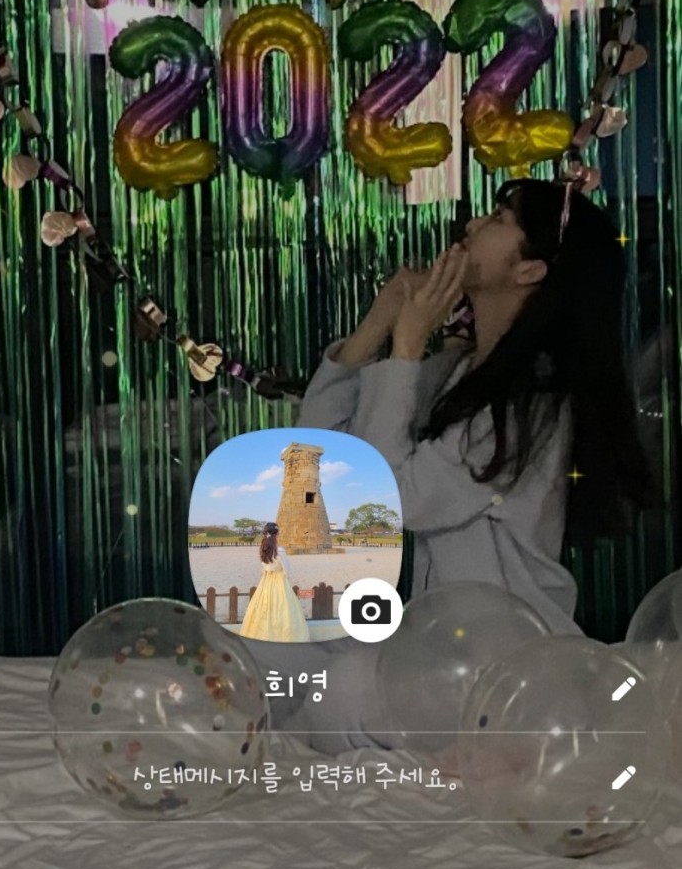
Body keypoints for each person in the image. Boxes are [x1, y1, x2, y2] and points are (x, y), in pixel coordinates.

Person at [298, 178, 653, 634]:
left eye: (500, 219)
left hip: (508, 651)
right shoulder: (460, 372)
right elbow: (323, 453)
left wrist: (408, 344)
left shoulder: (530, 402)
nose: (472, 224)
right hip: (454, 647)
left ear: (529, 270)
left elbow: (387, 501)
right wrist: (379, 321)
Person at [239, 522, 310, 643]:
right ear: (276, 534)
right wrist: (286, 579)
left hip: (266, 580)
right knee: (283, 606)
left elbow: (264, 565)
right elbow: (286, 569)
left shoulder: (263, 549)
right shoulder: (280, 551)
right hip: (279, 580)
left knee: (262, 605)